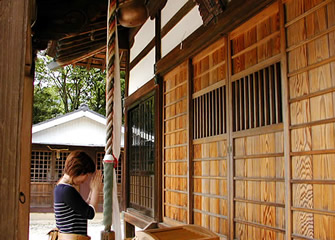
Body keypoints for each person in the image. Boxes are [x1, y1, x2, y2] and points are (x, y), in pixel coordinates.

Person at [54, 150, 103, 240]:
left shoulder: (60, 188)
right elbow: (89, 213)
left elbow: (81, 208)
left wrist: (92, 190)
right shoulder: (67, 190)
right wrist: (96, 190)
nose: (85, 180)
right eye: (86, 175)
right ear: (79, 171)